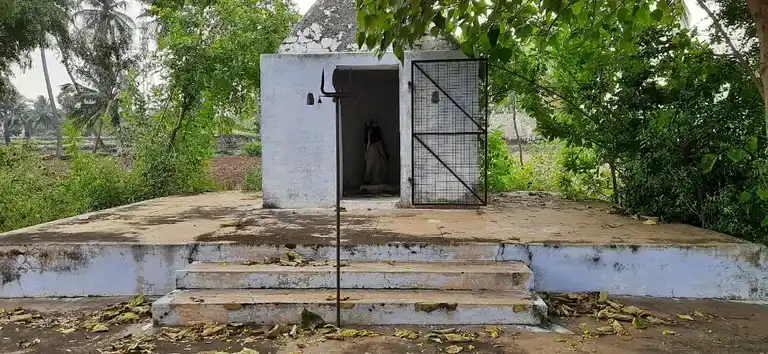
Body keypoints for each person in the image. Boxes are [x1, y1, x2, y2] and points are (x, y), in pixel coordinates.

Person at [363, 118, 388, 186]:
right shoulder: (371, 130)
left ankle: (373, 179)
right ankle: (373, 179)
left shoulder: (372, 129)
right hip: (375, 147)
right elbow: (369, 141)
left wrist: (366, 152)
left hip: (374, 147)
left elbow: (369, 141)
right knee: (375, 164)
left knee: (376, 164)